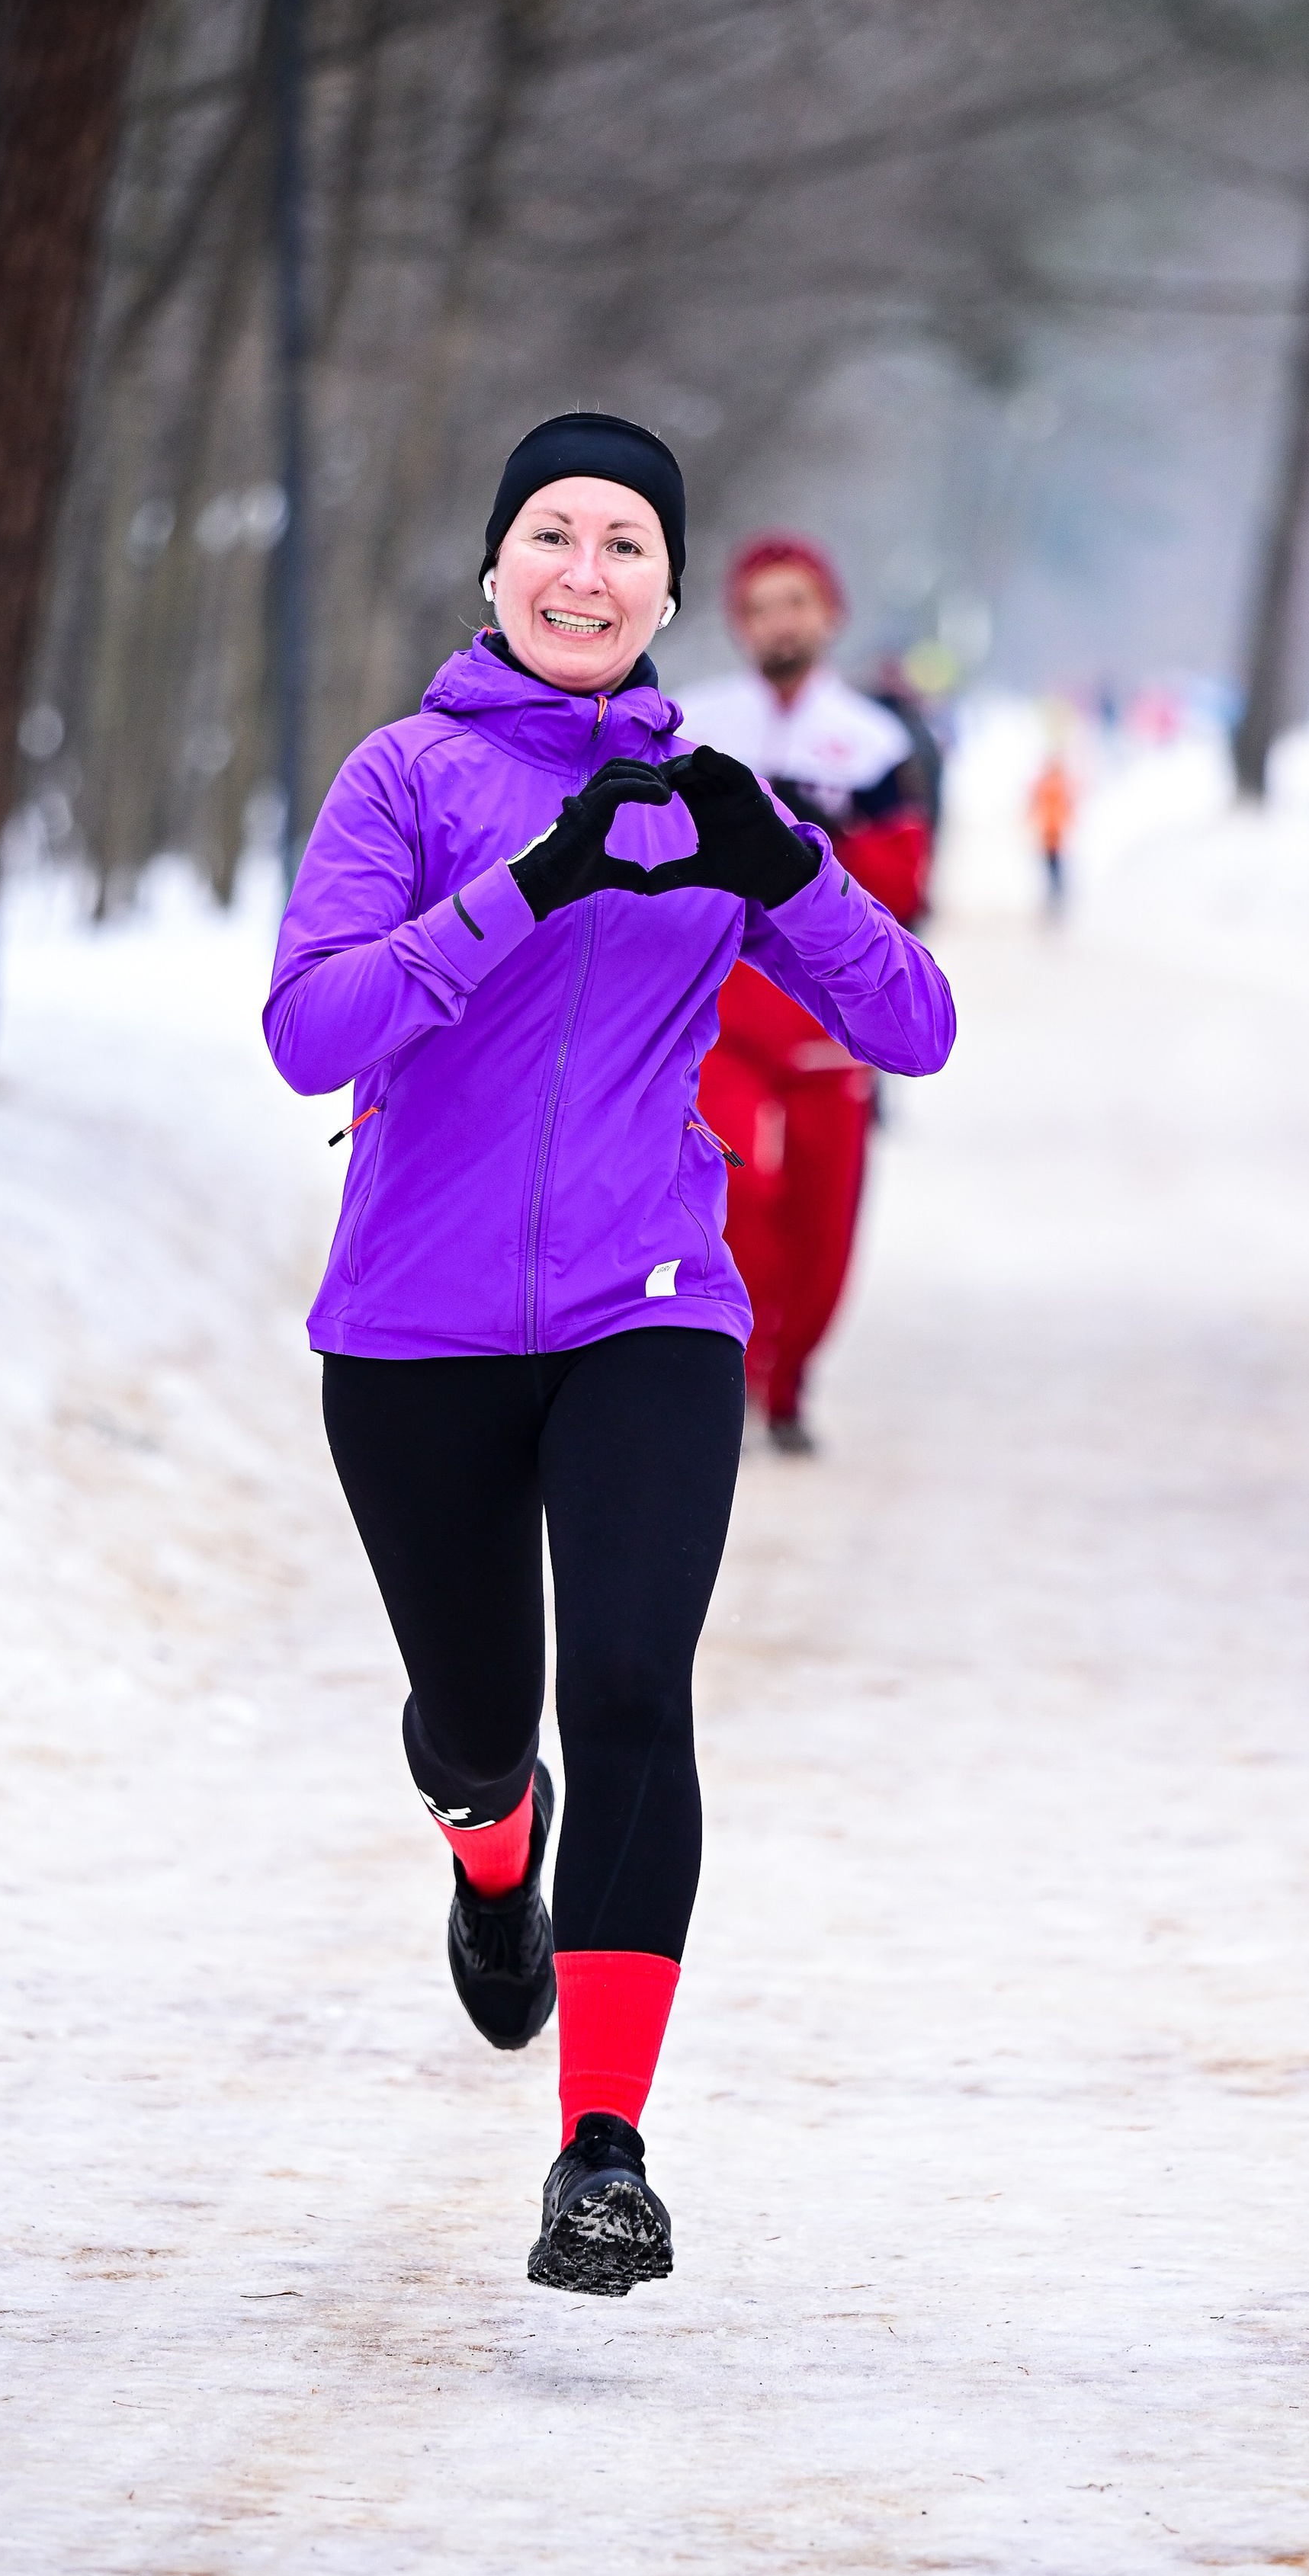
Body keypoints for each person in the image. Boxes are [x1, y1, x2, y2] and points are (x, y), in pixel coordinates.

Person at [264, 418, 954, 2296]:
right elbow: (310, 1033)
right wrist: (524, 892)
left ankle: (602, 2151)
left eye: (625, 543)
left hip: (649, 1302)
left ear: (666, 589)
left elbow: (915, 1022)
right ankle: (495, 1858)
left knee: (633, 1685)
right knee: (481, 1730)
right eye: (551, 535)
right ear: (495, 571)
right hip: (410, 1334)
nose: (585, 569)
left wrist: (784, 875)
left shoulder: (717, 798)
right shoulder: (402, 778)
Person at [675, 534, 935, 1454]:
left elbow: (904, 883)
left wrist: (814, 852)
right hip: (725, 1012)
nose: (779, 621)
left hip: (830, 1021)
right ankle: (735, 1363)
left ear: (829, 615)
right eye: (760, 605)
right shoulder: (697, 726)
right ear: (738, 621)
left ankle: (791, 1380)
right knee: (737, 1187)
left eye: (796, 602)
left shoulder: (874, 743)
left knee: (825, 1214)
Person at [1028, 746, 1077, 916]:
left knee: (1054, 867)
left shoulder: (1051, 783)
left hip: (1053, 830)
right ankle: (1056, 895)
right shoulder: (1055, 783)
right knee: (1053, 867)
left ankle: (1056, 895)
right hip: (1051, 829)